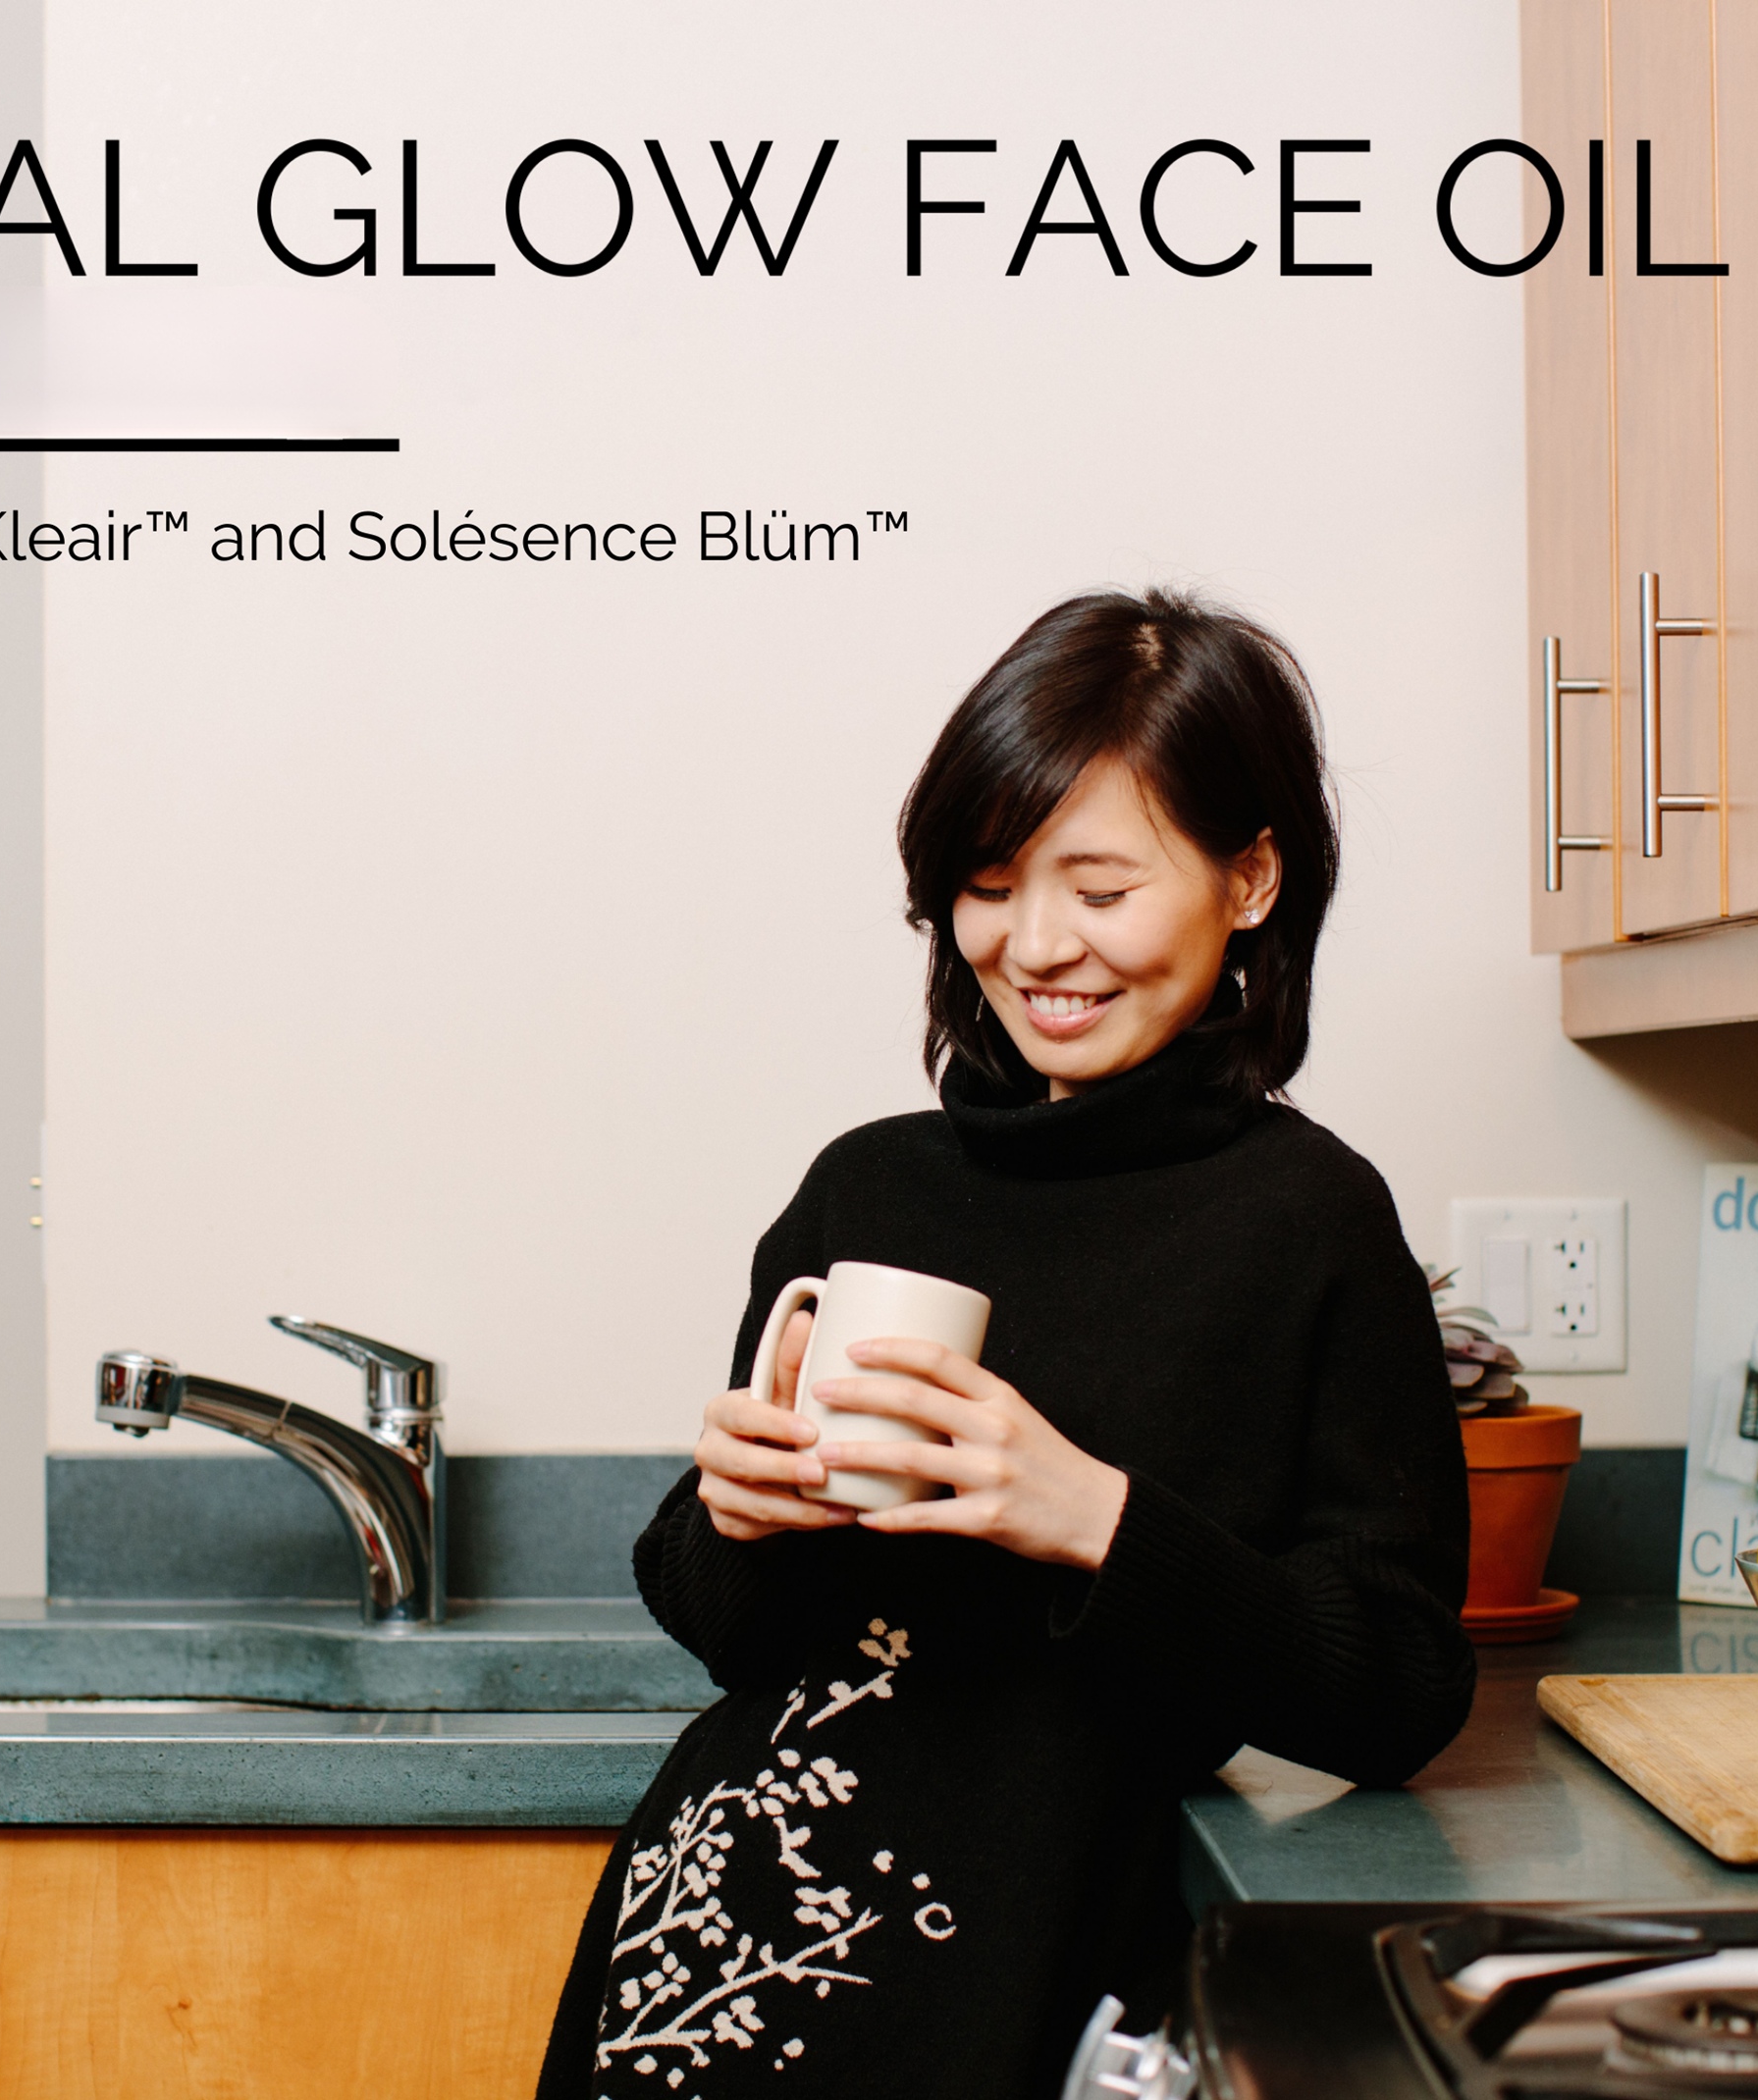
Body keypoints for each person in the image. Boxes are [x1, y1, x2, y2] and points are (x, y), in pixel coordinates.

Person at [536, 589, 1474, 2099]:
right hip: (708, 1937)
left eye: (1099, 891)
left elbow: (1399, 1689)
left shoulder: (1310, 1218)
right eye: (988, 882)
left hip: (1029, 1977)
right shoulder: (867, 1185)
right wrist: (729, 1515)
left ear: (1248, 881)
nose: (1035, 945)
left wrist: (1091, 1519)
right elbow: (730, 1626)